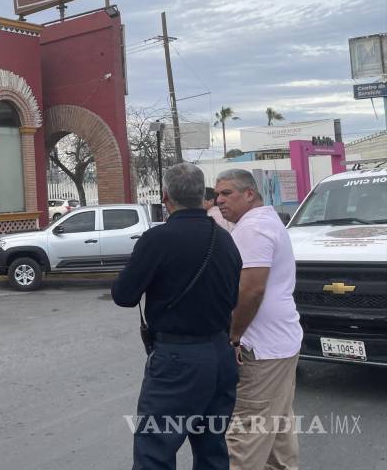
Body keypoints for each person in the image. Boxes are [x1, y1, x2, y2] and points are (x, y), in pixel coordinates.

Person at [113, 163, 243, 469]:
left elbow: (123, 296)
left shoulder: (157, 239)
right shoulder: (225, 240)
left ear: (165, 197)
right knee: (212, 446)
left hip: (177, 360)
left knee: (155, 450)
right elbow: (234, 297)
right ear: (203, 196)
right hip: (219, 355)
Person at [215, 169, 303, 470]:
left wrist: (234, 336)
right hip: (280, 342)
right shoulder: (266, 222)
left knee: (245, 435)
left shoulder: (253, 227)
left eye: (227, 193)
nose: (219, 200)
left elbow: (251, 290)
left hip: (261, 347)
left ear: (249, 193)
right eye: (217, 194)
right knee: (277, 428)